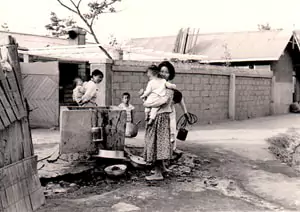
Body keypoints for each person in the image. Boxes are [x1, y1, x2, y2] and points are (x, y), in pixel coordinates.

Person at [143, 86, 174, 181]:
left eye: (166, 72)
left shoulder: (168, 89)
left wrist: (147, 103)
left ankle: (158, 173)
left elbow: (162, 101)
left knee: (156, 144)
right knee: (156, 143)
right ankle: (162, 168)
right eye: (162, 72)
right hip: (157, 117)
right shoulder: (157, 86)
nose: (164, 74)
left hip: (159, 118)